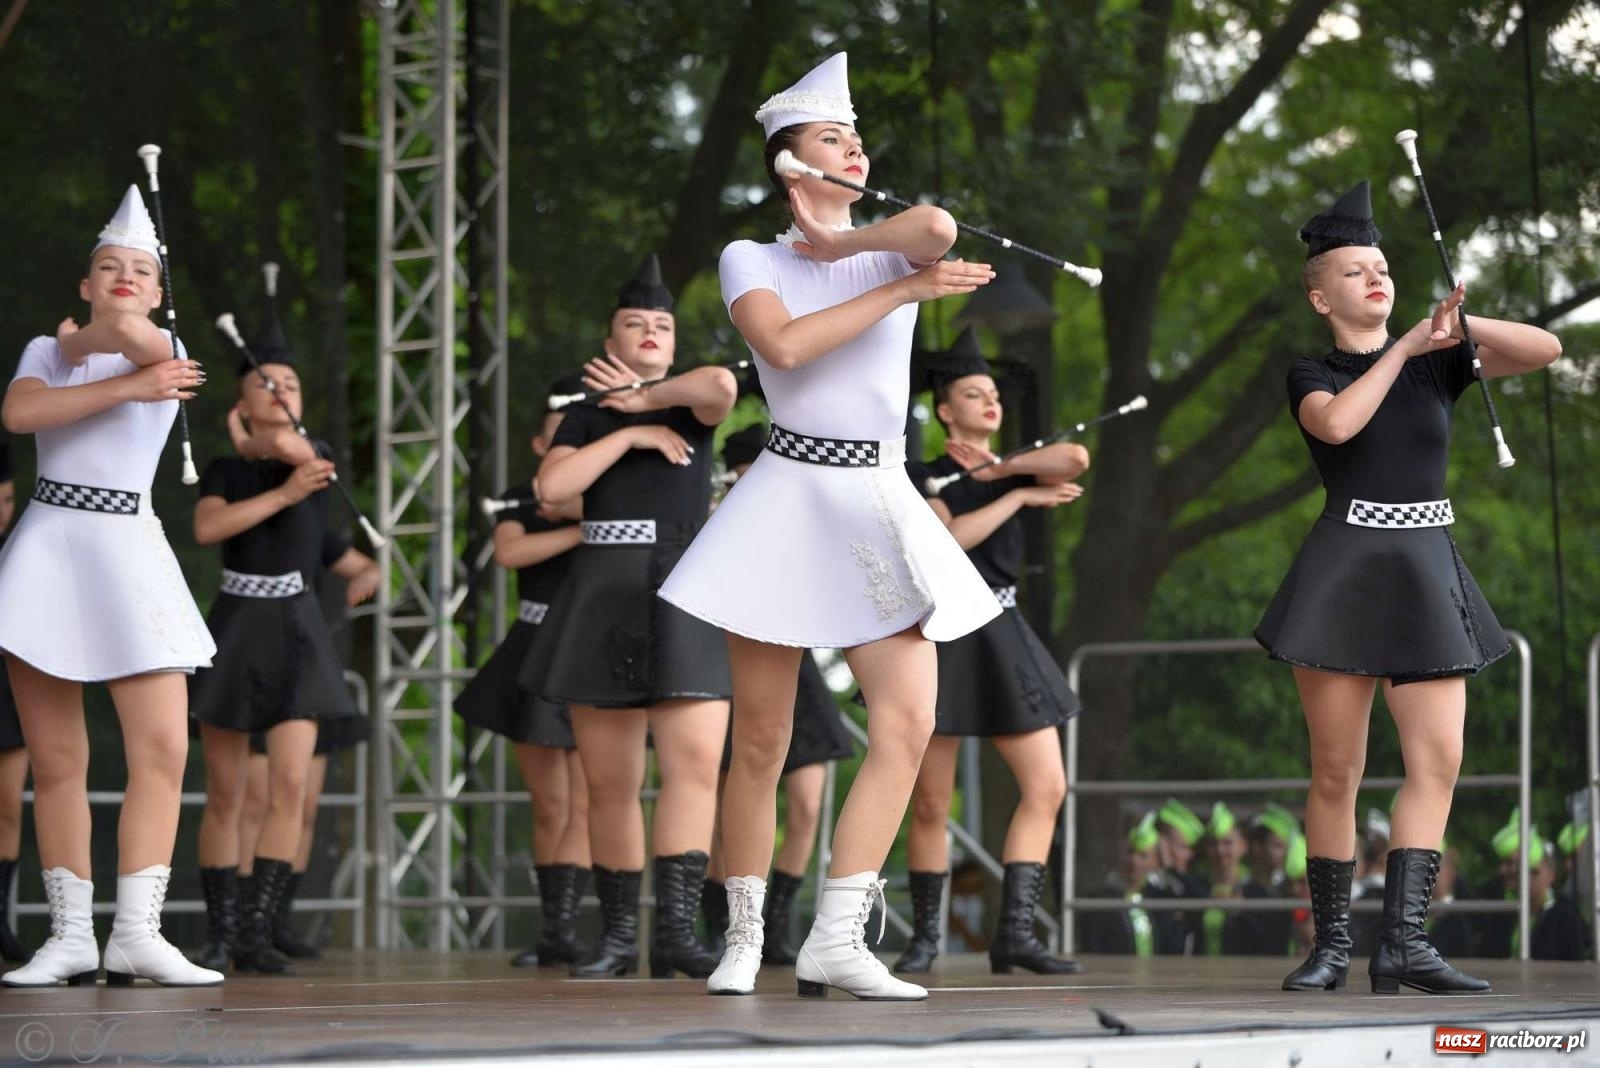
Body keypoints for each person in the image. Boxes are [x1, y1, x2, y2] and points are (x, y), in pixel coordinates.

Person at [656, 52, 1000, 1000]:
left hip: (879, 501)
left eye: (856, 139)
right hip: (788, 493)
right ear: (788, 164)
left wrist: (855, 254)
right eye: (829, 139)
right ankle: (742, 935)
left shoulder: (890, 244)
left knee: (910, 718)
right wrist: (892, 291)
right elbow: (783, 347)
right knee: (761, 742)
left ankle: (838, 935)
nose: (852, 149)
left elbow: (936, 223)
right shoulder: (750, 259)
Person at [1256, 180, 1561, 994]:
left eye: (1383, 266)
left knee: (1439, 761)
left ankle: (1405, 943)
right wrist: (1404, 347)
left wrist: (1460, 326)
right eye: (1356, 272)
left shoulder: (1442, 358)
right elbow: (1338, 425)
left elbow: (1545, 351)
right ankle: (1330, 945)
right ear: (1322, 295)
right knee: (1336, 770)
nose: (1377, 279)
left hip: (1427, 562)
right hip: (1345, 566)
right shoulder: (1312, 367)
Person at [0, 187, 220, 986]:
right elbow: (22, 414)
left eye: (141, 270)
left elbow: (128, 336)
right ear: (84, 282)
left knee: (161, 747)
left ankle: (137, 931)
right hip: (49, 546)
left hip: (131, 546)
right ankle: (67, 937)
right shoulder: (43, 350)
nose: (124, 278)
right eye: (107, 267)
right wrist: (120, 385)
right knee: (58, 757)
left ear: (160, 293)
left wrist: (104, 348)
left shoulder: (162, 344)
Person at [521, 256, 736, 980]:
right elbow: (553, 488)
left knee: (694, 768)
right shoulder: (583, 415)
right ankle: (617, 937)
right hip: (604, 591)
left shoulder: (688, 402)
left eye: (663, 325)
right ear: (608, 342)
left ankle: (676, 933)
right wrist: (627, 436)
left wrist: (649, 406)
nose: (650, 331)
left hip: (683, 587)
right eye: (635, 323)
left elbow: (723, 385)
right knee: (609, 782)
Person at [188, 291, 379, 975]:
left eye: (290, 382)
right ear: (240, 398)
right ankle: (223, 929)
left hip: (298, 629)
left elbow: (293, 448)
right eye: (265, 382)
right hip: (237, 625)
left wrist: (278, 462)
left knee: (291, 788)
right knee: (228, 790)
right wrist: (276, 489)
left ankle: (259, 930)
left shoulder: (313, 455)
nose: (280, 389)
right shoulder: (224, 469)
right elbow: (209, 529)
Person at [893, 329, 1086, 976]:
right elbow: (946, 538)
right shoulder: (919, 474)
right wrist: (1016, 496)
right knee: (929, 800)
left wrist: (1006, 471)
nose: (990, 402)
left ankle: (1016, 934)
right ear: (946, 410)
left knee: (1047, 784)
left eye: (994, 395)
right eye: (974, 394)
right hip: (941, 629)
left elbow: (1077, 459)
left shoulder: (1017, 461)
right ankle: (923, 937)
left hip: (1002, 628)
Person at [702, 424, 857, 966]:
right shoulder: (720, 518)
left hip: (803, 661)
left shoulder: (801, 509)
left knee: (810, 803)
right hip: (737, 659)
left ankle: (779, 916)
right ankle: (723, 918)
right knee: (731, 792)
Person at [454, 383, 591, 968]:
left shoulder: (614, 492)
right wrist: (585, 530)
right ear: (540, 442)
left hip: (592, 653)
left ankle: (574, 926)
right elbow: (510, 554)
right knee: (550, 803)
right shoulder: (518, 497)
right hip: (534, 649)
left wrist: (587, 513)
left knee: (591, 800)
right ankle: (552, 929)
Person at [0, 439, 30, 965]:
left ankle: (0, 918)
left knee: (8, 804)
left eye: (6, 500)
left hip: (10, 687)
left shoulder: (23, 549)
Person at [1199, 802, 1246, 957]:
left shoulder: (1252, 887)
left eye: (1228, 843)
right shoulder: (1196, 885)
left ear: (1243, 846)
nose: (1220, 850)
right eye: (1214, 844)